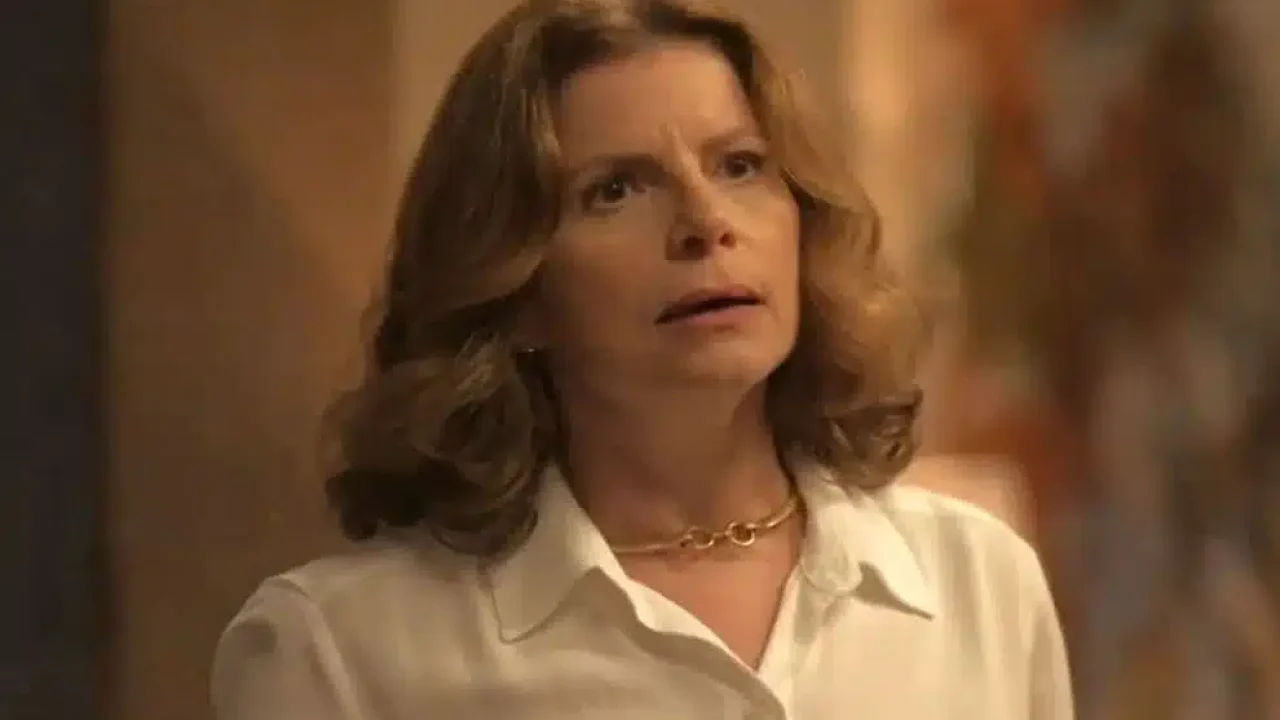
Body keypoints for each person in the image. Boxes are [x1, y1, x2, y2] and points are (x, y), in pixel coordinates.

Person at [210, 1, 1073, 718]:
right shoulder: (341, 651)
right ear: (515, 287)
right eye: (615, 190)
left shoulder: (974, 582)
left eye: (740, 166)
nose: (706, 222)